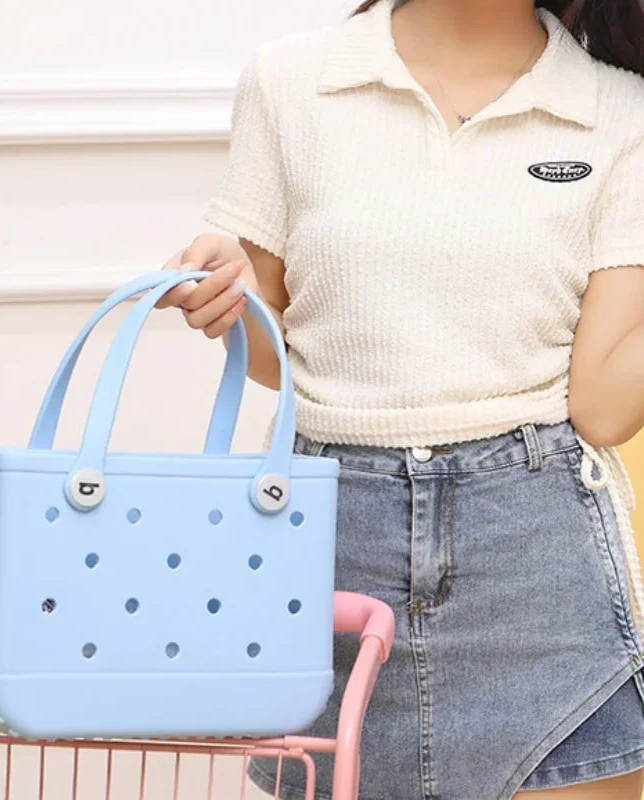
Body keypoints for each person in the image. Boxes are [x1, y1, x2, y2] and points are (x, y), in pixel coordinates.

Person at [156, 0, 644, 797]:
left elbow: (604, 405)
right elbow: (278, 352)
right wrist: (227, 301)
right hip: (332, 550)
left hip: (538, 564)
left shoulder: (621, 113)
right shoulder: (293, 82)